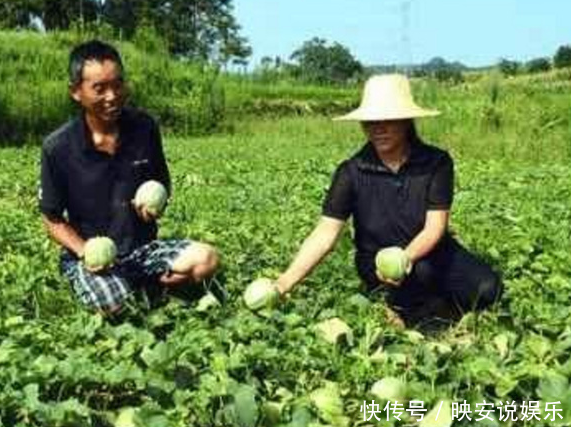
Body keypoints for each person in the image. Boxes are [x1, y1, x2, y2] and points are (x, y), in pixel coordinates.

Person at [274, 74, 502, 326]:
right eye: (370, 122)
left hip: (432, 252)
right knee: (420, 282)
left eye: (388, 120)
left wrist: (406, 258)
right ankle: (401, 306)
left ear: (406, 121)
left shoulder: (436, 163)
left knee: (488, 288)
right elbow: (325, 234)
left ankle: (430, 304)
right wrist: (284, 283)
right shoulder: (351, 172)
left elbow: (435, 227)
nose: (378, 128)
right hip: (378, 262)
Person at [39, 40, 218, 314]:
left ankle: (139, 284)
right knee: (112, 303)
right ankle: (140, 289)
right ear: (76, 92)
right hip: (94, 257)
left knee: (206, 260)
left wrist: (156, 205)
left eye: (118, 84)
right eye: (99, 88)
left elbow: (162, 182)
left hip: (143, 250)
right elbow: (52, 219)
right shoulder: (58, 147)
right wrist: (84, 250)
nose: (112, 96)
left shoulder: (144, 128)